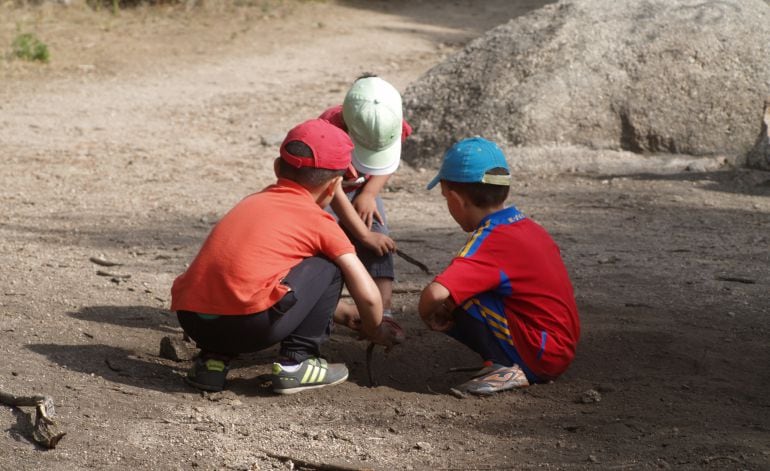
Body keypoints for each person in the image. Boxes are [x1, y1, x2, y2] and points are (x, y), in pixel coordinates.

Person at [170, 118, 403, 394]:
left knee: (238, 275)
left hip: (194, 319)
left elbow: (251, 274)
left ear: (277, 167)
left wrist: (338, 313)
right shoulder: (320, 222)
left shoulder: (250, 203)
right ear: (333, 187)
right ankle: (298, 362)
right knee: (331, 264)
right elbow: (368, 296)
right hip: (250, 326)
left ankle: (211, 363)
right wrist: (375, 328)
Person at [418, 137, 580, 395]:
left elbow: (434, 294)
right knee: (469, 287)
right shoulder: (527, 227)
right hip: (557, 344)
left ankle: (508, 367)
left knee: (456, 297)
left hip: (542, 354)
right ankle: (506, 361)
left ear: (457, 200)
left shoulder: (491, 238)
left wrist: (426, 313)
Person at [319, 74, 413, 321]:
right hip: (327, 194)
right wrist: (362, 234)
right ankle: (325, 308)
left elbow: (387, 164)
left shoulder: (391, 121)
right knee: (326, 243)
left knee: (378, 232)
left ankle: (384, 310)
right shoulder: (328, 129)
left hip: (362, 189)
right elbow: (331, 187)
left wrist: (370, 194)